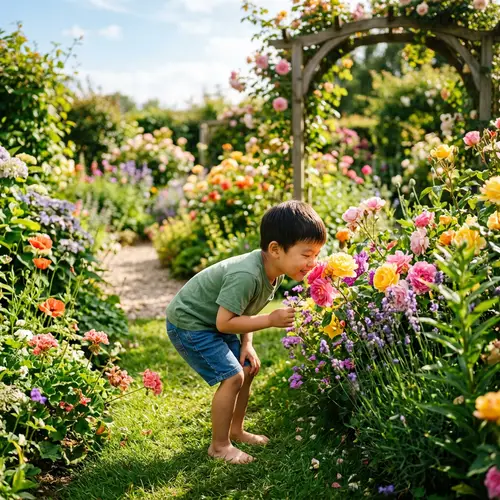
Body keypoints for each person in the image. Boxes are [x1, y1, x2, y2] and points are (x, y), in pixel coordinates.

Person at [166, 200, 327, 464]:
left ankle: (236, 431)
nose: (313, 262)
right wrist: (270, 319)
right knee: (232, 377)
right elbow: (224, 323)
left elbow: (245, 310)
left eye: (317, 255)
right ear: (276, 249)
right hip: (190, 323)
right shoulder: (247, 275)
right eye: (307, 254)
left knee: (247, 366)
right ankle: (219, 446)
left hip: (212, 320)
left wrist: (247, 345)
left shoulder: (275, 271)